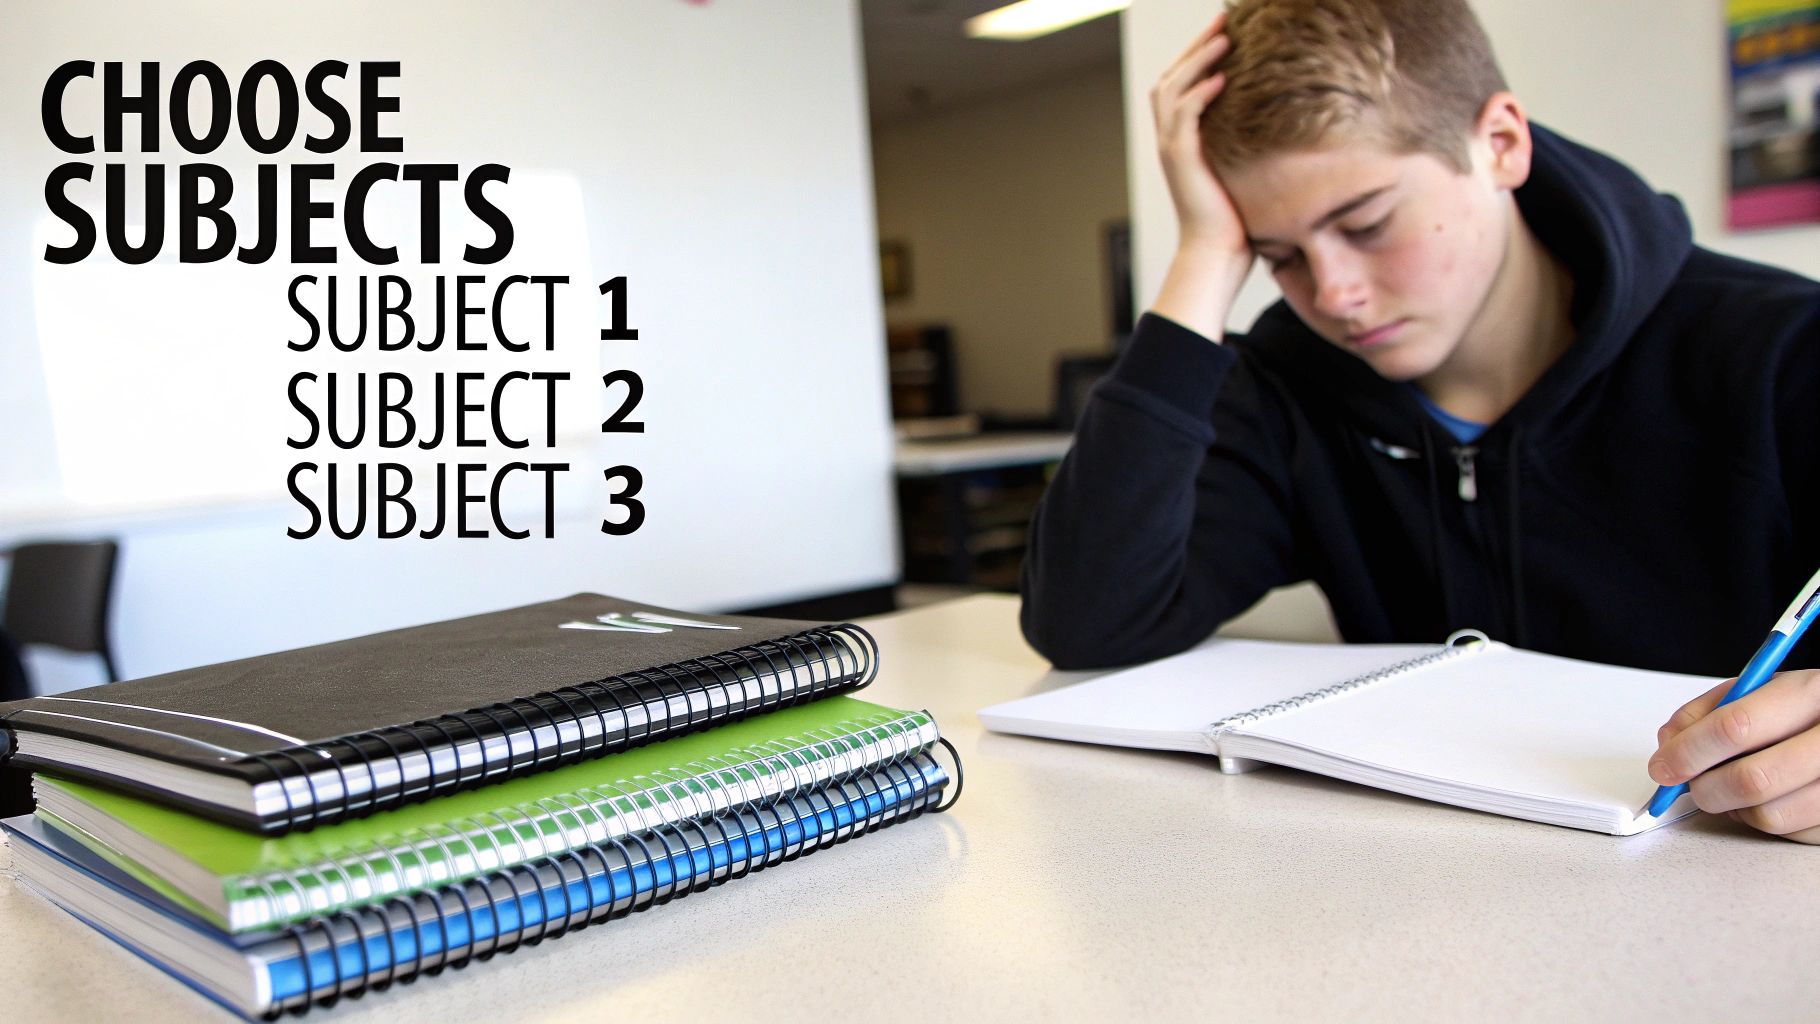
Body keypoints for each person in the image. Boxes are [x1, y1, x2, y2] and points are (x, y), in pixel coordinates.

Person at [1018, 0, 1820, 840]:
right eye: (1278, 255)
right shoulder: (1291, 385)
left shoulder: (1780, 351)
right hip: (1413, 893)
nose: (1334, 295)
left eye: (1365, 224)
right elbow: (1088, 622)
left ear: (1500, 145)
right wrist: (1203, 262)